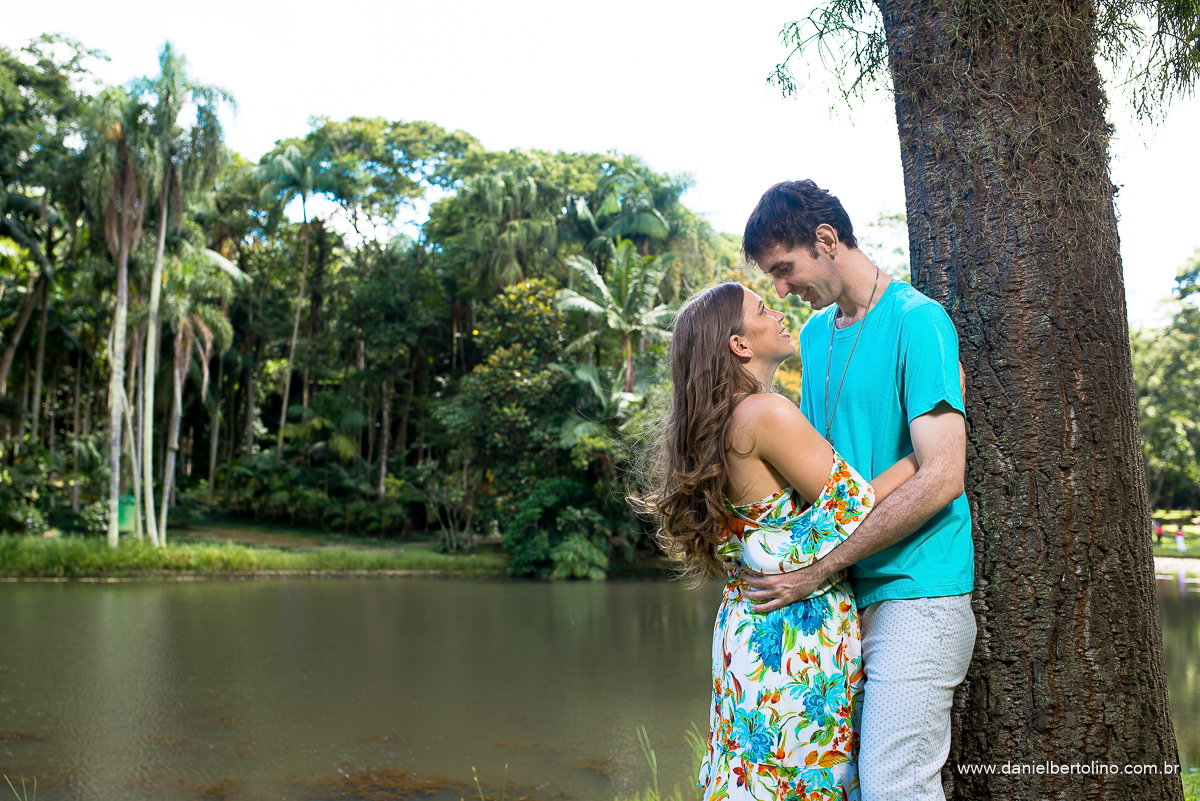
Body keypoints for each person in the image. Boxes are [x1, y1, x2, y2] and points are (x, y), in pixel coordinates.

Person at [632, 281, 923, 801]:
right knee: (801, 779)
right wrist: (928, 448)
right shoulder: (765, 414)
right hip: (794, 639)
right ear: (739, 345)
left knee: (756, 778)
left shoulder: (715, 425)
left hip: (748, 631)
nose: (779, 312)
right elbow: (855, 507)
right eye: (763, 309)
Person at [737, 180, 976, 801]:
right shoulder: (814, 337)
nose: (780, 290)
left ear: (826, 240)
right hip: (836, 606)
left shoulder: (919, 322)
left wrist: (824, 566)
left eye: (785, 269)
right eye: (771, 277)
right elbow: (821, 484)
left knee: (896, 788)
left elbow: (944, 476)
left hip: (915, 591)